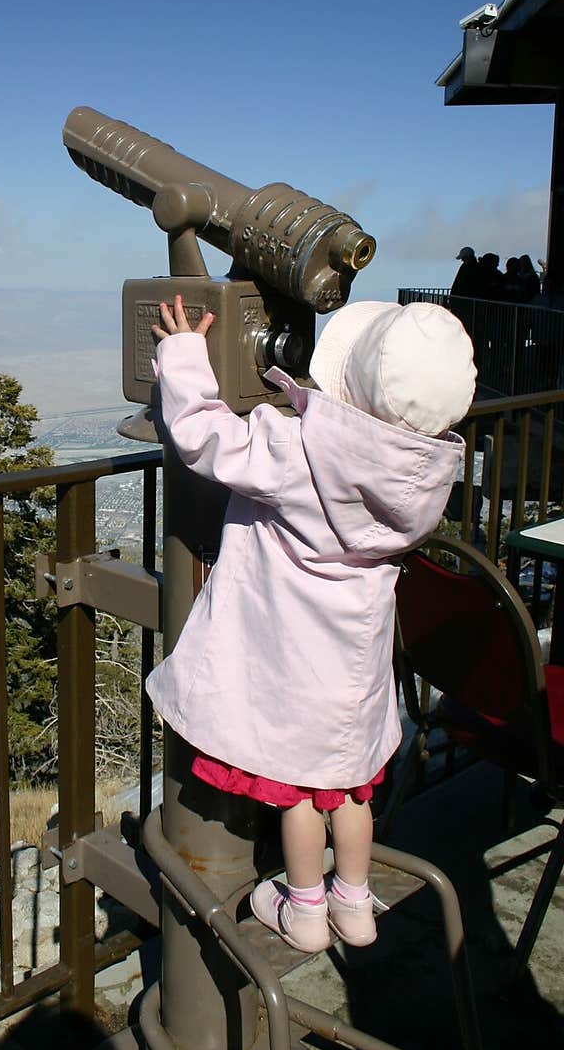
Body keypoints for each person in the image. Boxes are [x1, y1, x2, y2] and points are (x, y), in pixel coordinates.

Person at [147, 297, 476, 953]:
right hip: (356, 670)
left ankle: (303, 910)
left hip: (294, 664)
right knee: (350, 792)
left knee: (303, 798)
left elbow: (203, 435)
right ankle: (354, 905)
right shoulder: (426, 474)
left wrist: (183, 355)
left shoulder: (295, 450)